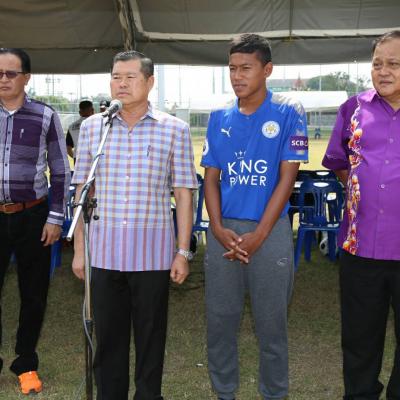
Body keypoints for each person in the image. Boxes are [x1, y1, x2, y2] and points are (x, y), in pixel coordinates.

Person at [71, 50, 197, 400]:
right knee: (108, 340)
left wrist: (182, 252)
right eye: (116, 77)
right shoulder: (94, 128)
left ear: (150, 82)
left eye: (130, 77)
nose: (121, 84)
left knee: (151, 338)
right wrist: (80, 251)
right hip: (103, 253)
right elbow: (82, 190)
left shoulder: (174, 129)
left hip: (152, 256)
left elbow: (183, 193)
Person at [201, 34, 308, 400]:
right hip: (225, 233)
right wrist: (217, 227)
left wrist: (261, 234)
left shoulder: (289, 111)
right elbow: (211, 178)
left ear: (267, 70)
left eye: (246, 68)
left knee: (271, 324)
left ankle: (274, 393)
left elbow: (287, 178)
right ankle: (224, 392)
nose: (237, 76)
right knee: (220, 321)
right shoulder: (218, 116)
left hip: (270, 231)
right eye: (232, 68)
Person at [322, 30, 400, 400]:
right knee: (359, 339)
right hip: (361, 246)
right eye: (377, 63)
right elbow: (339, 161)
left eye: (394, 64)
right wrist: (360, 188)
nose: (383, 71)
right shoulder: (352, 108)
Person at [0, 48, 70, 394]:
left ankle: (25, 362)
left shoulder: (45, 115)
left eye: (10, 73)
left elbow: (60, 170)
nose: (3, 79)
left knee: (34, 293)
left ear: (26, 77)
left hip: (33, 216)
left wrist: (55, 217)